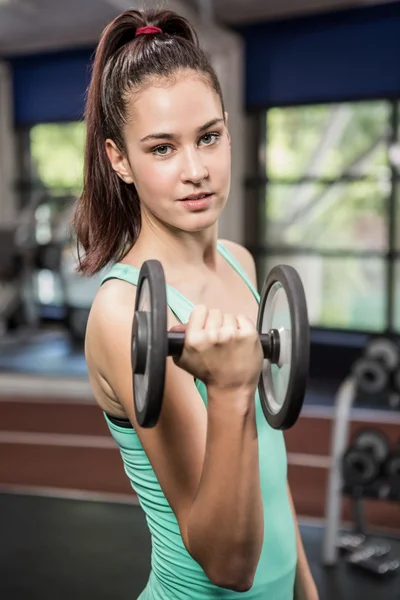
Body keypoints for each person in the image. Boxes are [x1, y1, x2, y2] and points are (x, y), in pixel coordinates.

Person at [73, 8, 319, 600]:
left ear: (229, 130)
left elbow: (270, 475)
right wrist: (233, 390)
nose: (196, 170)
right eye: (162, 148)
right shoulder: (123, 311)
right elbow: (226, 564)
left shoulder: (240, 261)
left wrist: (305, 590)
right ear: (119, 160)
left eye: (209, 137)